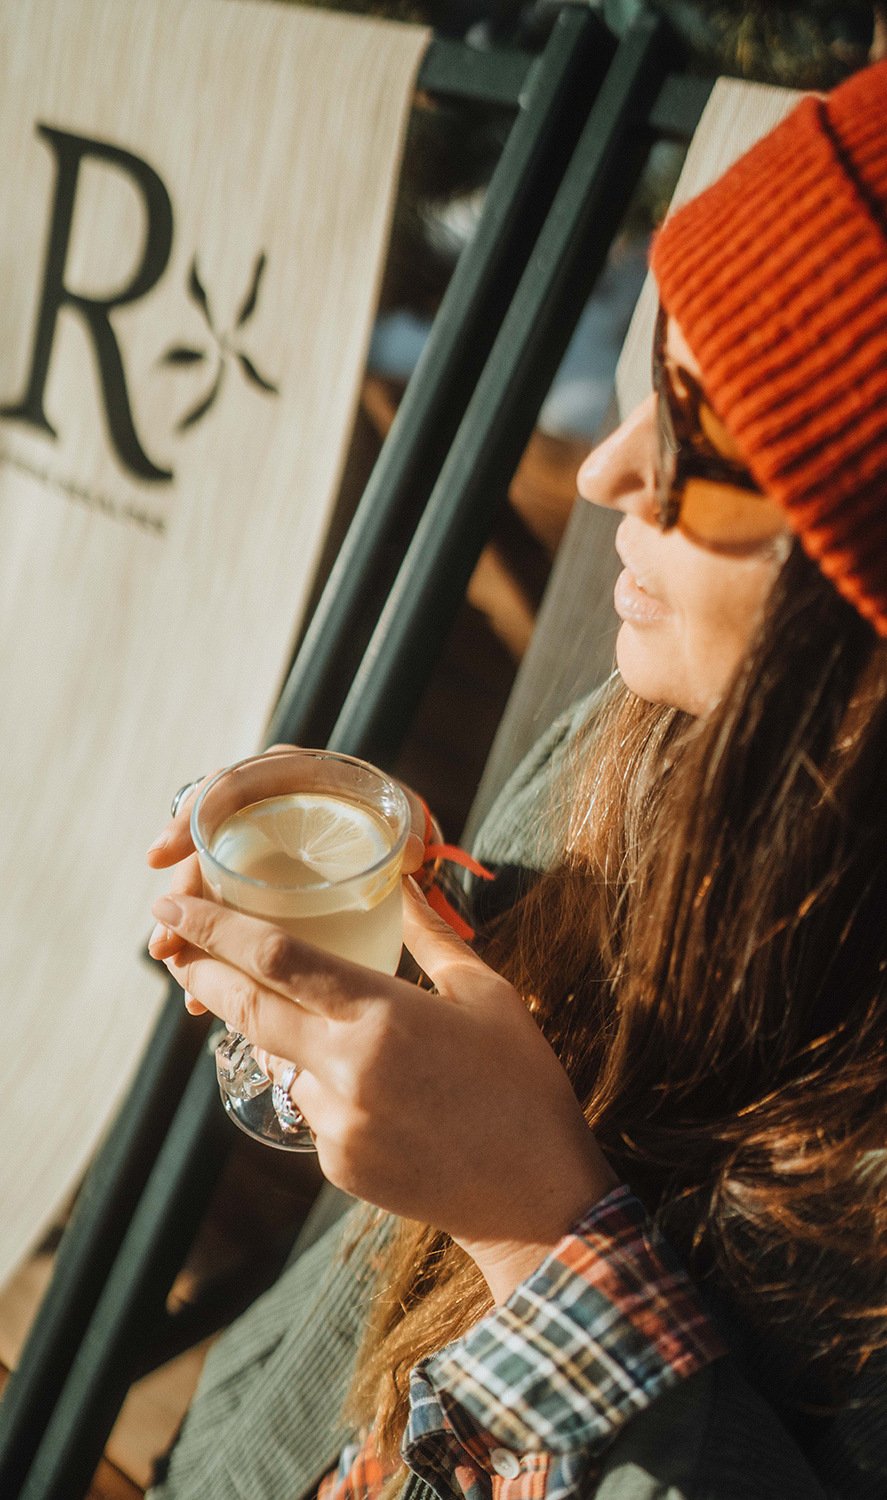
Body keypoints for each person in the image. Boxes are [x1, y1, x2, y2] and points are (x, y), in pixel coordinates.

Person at [143, 60, 887, 1500]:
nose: (607, 468)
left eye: (708, 440)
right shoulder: (657, 736)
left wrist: (536, 1232)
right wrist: (405, 924)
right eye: (650, 377)